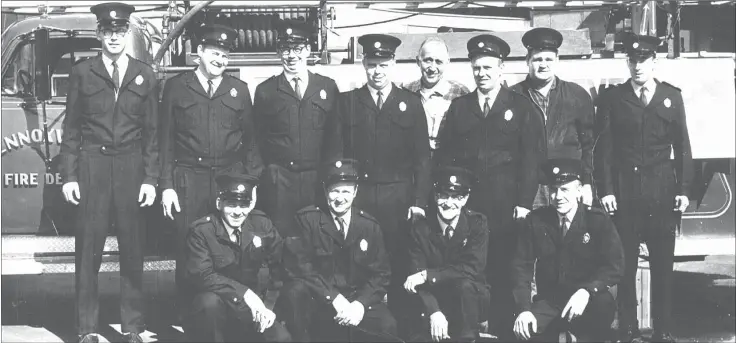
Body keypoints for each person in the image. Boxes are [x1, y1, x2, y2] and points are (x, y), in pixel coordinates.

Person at [59, 3, 158, 342]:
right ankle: (87, 328)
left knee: (133, 250)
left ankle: (133, 327)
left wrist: (150, 179)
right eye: (108, 31)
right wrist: (69, 176)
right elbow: (71, 129)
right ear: (98, 33)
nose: (114, 37)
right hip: (93, 168)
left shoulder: (145, 74)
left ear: (126, 33)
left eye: (120, 31)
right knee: (89, 252)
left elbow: (153, 134)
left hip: (131, 169)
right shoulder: (82, 72)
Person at [434, 34, 542, 339]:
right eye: (477, 68)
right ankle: (468, 333)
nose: (482, 73)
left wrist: (523, 202)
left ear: (501, 69)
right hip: (469, 207)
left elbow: (532, 161)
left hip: (507, 207)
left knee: (504, 270)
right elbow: (446, 157)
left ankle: (503, 333)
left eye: (488, 67)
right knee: (469, 272)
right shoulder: (460, 107)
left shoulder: (521, 108)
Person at [594, 33, 693, 343]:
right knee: (625, 266)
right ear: (627, 62)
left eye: (643, 61)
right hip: (625, 195)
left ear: (654, 62)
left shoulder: (671, 96)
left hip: (663, 194)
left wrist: (685, 190)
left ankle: (663, 329)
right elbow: (604, 150)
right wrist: (607, 190)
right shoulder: (613, 98)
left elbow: (683, 147)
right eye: (632, 61)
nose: (637, 66)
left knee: (663, 266)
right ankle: (628, 327)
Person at [159, 23, 263, 309]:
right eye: (214, 52)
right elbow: (164, 140)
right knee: (188, 248)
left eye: (225, 55)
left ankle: (230, 313)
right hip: (188, 180)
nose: (220, 60)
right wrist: (166, 186)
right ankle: (187, 316)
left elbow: (252, 143)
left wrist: (251, 184)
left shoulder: (238, 90)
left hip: (227, 180)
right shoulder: (177, 87)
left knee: (228, 247)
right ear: (199, 53)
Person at [335, 33, 431, 328]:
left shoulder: (410, 103)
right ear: (364, 64)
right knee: (359, 263)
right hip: (360, 198)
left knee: (399, 263)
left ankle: (403, 329)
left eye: (384, 65)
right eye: (372, 64)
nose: (378, 71)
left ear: (394, 64)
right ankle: (361, 325)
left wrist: (418, 202)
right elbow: (336, 153)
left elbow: (422, 159)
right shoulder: (348, 102)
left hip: (399, 200)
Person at [276, 159, 397, 342]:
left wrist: (360, 305)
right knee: (295, 292)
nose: (340, 198)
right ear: (325, 191)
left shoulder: (369, 226)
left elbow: (382, 274)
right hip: (319, 299)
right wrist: (333, 298)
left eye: (346, 191)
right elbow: (300, 268)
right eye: (335, 191)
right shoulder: (307, 220)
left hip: (356, 300)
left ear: (355, 192)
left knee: (387, 326)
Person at [512, 158, 624, 342]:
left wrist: (587, 291)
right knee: (525, 331)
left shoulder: (596, 220)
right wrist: (523, 310)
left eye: (565, 190)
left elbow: (615, 266)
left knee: (603, 305)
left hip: (587, 302)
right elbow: (521, 267)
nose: (558, 197)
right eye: (553, 190)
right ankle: (560, 336)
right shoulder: (536, 221)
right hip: (551, 302)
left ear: (579, 190)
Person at [253, 19, 341, 238]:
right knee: (282, 243)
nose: (292, 55)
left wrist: (333, 179)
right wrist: (266, 177)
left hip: (317, 182)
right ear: (279, 52)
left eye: (298, 48)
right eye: (285, 49)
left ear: (308, 50)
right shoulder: (266, 90)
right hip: (280, 184)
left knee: (318, 241)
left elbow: (336, 139)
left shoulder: (327, 87)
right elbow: (256, 140)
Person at [183, 172, 291, 342]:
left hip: (251, 310)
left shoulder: (261, 224)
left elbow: (279, 267)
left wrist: (268, 307)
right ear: (219, 203)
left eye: (244, 205)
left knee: (282, 339)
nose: (238, 212)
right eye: (232, 205)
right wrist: (245, 293)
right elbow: (202, 275)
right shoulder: (202, 231)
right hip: (217, 312)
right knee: (209, 303)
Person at [510, 27, 595, 209]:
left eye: (548, 59)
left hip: (568, 185)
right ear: (527, 61)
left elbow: (589, 146)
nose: (543, 64)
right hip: (529, 190)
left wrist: (587, 183)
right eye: (537, 59)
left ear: (557, 60)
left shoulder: (577, 95)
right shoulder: (513, 96)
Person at [404, 166, 490, 342]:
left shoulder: (477, 224)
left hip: (467, 301)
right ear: (435, 197)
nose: (448, 203)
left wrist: (428, 275)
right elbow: (415, 276)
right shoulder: (420, 229)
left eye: (456, 197)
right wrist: (434, 312)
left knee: (466, 286)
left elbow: (471, 269)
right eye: (443, 195)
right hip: (434, 298)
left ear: (465, 199)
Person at [402, 37, 470, 156]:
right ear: (418, 61)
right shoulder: (406, 91)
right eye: (428, 60)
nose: (432, 68)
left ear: (447, 62)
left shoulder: (460, 93)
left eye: (438, 62)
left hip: (446, 162)